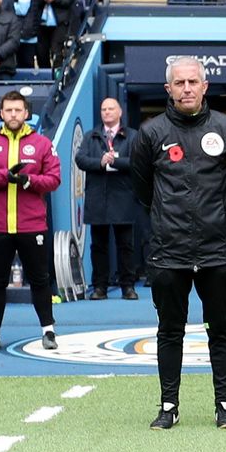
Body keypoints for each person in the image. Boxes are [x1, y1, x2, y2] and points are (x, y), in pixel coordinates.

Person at [129, 56, 226, 430]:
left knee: (221, 330)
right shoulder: (150, 134)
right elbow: (142, 189)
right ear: (168, 89)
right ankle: (169, 405)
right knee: (169, 330)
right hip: (169, 251)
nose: (186, 89)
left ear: (204, 86)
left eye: (192, 82)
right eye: (178, 83)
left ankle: (224, 405)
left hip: (217, 250)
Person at [0, 90, 61, 352]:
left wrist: (28, 181)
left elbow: (54, 179)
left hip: (32, 225)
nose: (13, 115)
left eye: (18, 110)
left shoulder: (42, 143)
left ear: (26, 113)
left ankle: (49, 331)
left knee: (40, 280)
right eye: (8, 110)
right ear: (1, 113)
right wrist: (3, 177)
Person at [74, 97, 140, 301]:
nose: (107, 112)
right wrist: (100, 162)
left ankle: (127, 286)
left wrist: (117, 161)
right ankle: (100, 287)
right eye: (103, 109)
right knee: (98, 246)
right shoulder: (91, 136)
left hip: (124, 196)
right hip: (97, 197)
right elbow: (81, 159)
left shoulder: (133, 136)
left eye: (111, 108)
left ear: (120, 112)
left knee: (125, 246)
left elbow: (139, 161)